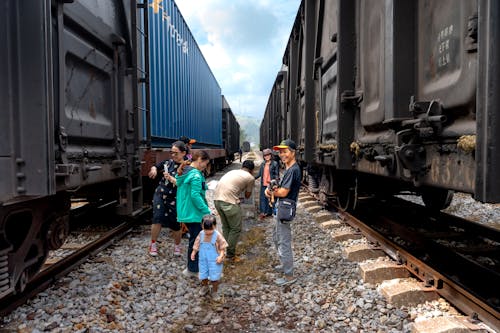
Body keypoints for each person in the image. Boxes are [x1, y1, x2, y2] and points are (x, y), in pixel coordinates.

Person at [265, 139, 302, 286]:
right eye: (280, 152)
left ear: (293, 152)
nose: (282, 154)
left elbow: (284, 191)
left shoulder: (293, 170)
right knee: (276, 237)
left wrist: (270, 191)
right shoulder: (289, 168)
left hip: (285, 209)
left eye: (285, 151)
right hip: (281, 208)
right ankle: (284, 264)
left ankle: (289, 275)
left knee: (284, 241)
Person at [147, 141, 187, 257]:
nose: (173, 155)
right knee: (157, 218)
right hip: (160, 193)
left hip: (175, 196)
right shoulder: (167, 162)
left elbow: (183, 185)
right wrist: (154, 169)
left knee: (175, 223)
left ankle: (177, 245)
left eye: (176, 153)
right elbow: (156, 166)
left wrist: (170, 178)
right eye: (171, 152)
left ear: (183, 153)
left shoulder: (186, 168)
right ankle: (153, 244)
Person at [176, 150, 211, 278]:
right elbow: (195, 195)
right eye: (204, 164)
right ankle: (193, 269)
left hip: (187, 212)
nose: (205, 167)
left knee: (194, 240)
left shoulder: (186, 172)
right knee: (196, 242)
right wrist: (207, 211)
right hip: (194, 213)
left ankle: (192, 267)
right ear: (200, 160)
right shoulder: (195, 175)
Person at [214, 160, 255, 262]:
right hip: (229, 203)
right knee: (235, 229)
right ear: (252, 170)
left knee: (226, 227)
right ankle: (230, 255)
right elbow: (247, 195)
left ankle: (223, 250)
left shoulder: (232, 172)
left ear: (242, 167)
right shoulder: (250, 177)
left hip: (217, 200)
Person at [191, 214, 228, 301]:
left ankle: (214, 291)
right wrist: (194, 252)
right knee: (203, 274)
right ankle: (205, 286)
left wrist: (221, 256)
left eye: (210, 229)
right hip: (203, 259)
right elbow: (197, 243)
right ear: (202, 226)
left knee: (214, 277)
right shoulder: (201, 234)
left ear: (215, 226)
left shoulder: (217, 235)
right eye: (205, 229)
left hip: (215, 260)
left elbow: (223, 248)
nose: (207, 232)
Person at [255, 148, 279, 220]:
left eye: (268, 155)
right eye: (265, 155)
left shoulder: (275, 163)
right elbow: (259, 174)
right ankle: (263, 212)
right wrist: (252, 178)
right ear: (264, 156)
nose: (267, 157)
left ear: (271, 155)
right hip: (263, 183)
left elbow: (276, 174)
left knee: (272, 198)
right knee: (263, 198)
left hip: (271, 184)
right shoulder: (263, 164)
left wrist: (275, 182)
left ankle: (271, 212)